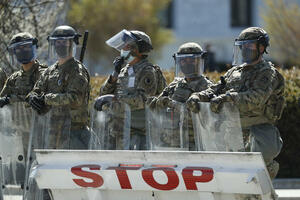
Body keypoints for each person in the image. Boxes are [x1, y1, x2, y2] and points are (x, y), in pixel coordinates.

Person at [187, 27, 285, 179]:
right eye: (242, 46)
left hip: (258, 131)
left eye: (249, 46)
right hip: (233, 132)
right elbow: (216, 89)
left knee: (256, 180)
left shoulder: (266, 72)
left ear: (261, 47)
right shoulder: (234, 71)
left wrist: (229, 98)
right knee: (233, 178)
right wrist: (198, 97)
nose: (245, 50)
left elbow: (257, 98)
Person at [94, 29, 167, 150]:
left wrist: (115, 99)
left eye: (127, 46)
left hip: (138, 133)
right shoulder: (124, 70)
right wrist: (114, 74)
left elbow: (143, 100)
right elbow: (103, 94)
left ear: (137, 49)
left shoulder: (147, 71)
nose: (123, 48)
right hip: (119, 130)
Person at [27, 25, 90, 150]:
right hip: (51, 131)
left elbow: (74, 99)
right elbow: (36, 91)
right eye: (58, 42)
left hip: (74, 133)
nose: (60, 45)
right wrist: (32, 97)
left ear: (72, 44)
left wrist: (46, 99)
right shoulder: (49, 71)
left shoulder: (77, 71)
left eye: (64, 42)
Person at [149, 42, 212, 150]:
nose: (187, 64)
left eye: (192, 60)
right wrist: (157, 103)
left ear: (200, 61)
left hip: (194, 144)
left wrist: (173, 105)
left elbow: (206, 119)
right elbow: (154, 107)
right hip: (170, 143)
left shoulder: (207, 87)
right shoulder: (174, 86)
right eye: (183, 60)